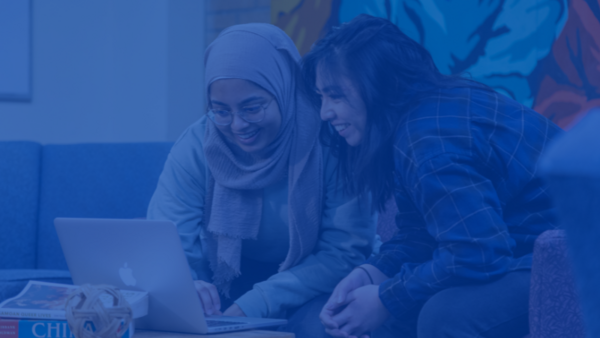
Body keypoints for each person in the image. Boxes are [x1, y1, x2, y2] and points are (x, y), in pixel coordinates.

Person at [302, 14, 562, 338]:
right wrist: (371, 274)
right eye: (321, 97)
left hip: (575, 259)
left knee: (444, 316)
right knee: (395, 313)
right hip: (528, 254)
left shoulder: (428, 142)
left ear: (380, 85)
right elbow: (422, 234)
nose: (325, 112)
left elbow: (478, 254)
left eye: (335, 95)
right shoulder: (417, 118)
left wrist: (386, 297)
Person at [146, 23, 377, 337]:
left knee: (320, 328)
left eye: (252, 108)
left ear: (283, 88)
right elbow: (168, 241)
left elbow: (343, 253)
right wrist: (187, 285)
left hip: (316, 281)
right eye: (221, 110)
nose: (238, 125)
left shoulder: (331, 138)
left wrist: (259, 301)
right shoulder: (199, 145)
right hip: (227, 278)